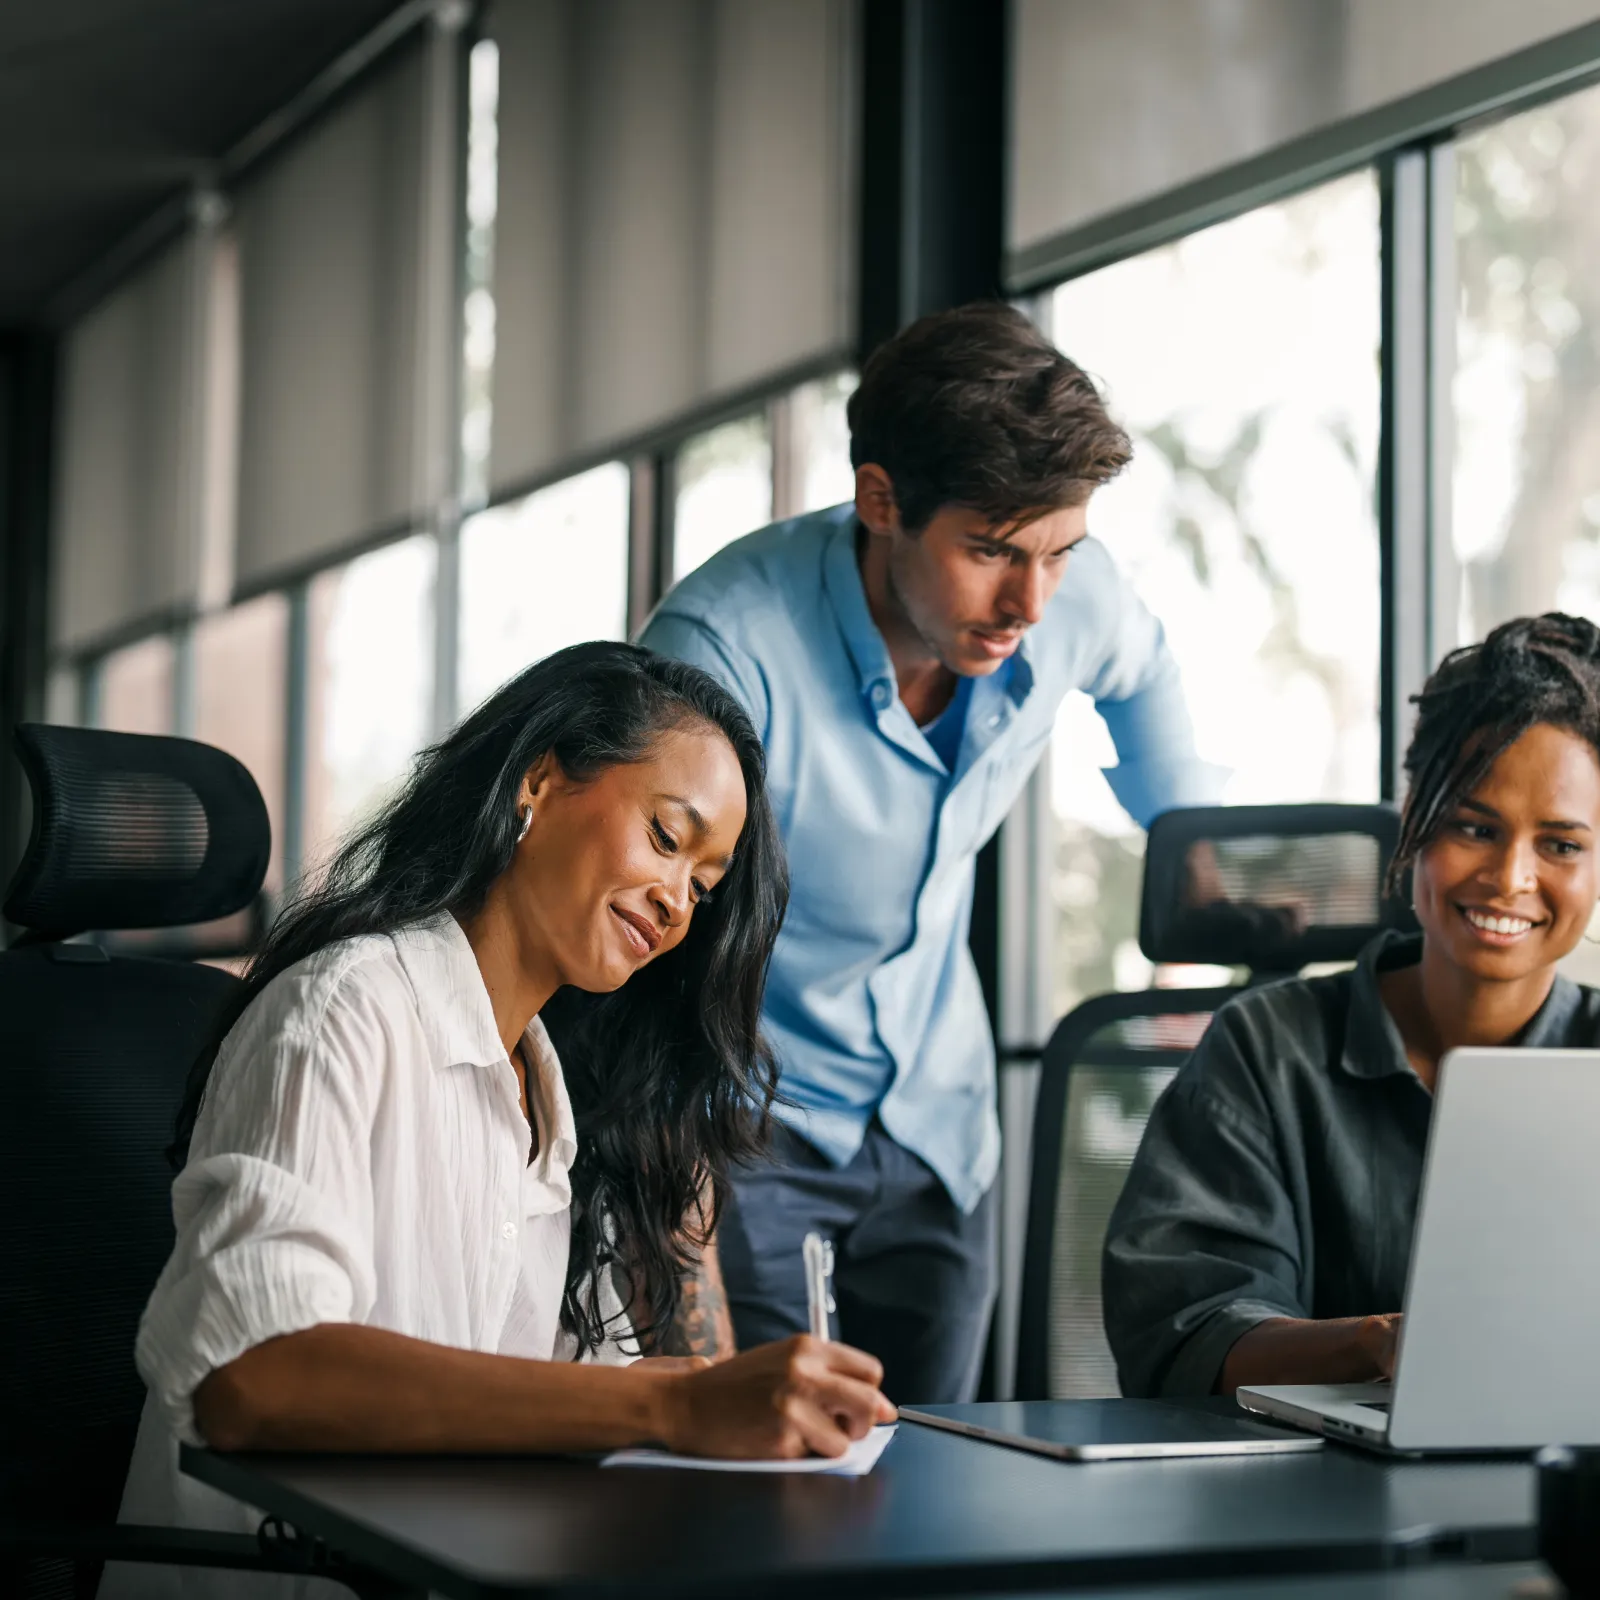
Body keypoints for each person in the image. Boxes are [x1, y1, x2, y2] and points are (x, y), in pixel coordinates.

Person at [107, 642, 893, 1600]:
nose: (678, 903)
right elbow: (252, 1374)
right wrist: (675, 1401)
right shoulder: (344, 1011)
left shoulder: (553, 1105)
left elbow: (581, 1420)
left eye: (704, 884)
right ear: (539, 780)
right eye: (665, 836)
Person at [639, 302, 1219, 1403]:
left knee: (932, 1483)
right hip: (749, 1127)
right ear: (880, 501)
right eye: (990, 551)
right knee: (771, 1507)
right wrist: (672, 1209)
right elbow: (651, 941)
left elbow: (1142, 672)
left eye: (1057, 553)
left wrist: (1183, 851)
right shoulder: (721, 648)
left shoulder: (1060, 597)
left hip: (941, 1126)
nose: (1027, 603)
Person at [1103, 612, 1600, 1399]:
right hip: (1309, 1499)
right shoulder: (1266, 1049)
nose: (1512, 877)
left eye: (1562, 845)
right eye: (1475, 826)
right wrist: (1383, 1345)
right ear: (1413, 819)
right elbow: (1184, 1333)